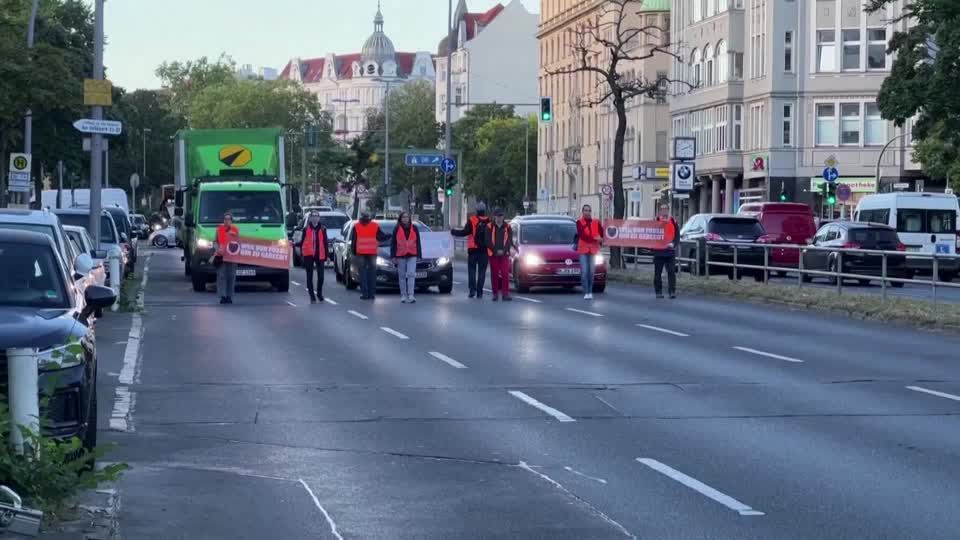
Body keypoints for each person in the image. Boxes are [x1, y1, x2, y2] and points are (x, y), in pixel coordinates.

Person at [451, 202, 490, 299]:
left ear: (476, 210)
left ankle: (472, 290)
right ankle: (480, 292)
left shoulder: (472, 220)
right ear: (484, 210)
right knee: (482, 272)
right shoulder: (489, 221)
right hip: (484, 250)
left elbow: (464, 232)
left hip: (473, 250)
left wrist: (453, 232)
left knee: (472, 271)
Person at [349, 211, 390, 300]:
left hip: (360, 252)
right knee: (372, 273)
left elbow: (354, 240)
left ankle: (365, 294)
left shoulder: (356, 226)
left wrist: (353, 252)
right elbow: (381, 237)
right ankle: (371, 294)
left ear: (361, 217)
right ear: (369, 218)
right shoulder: (374, 225)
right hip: (372, 252)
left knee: (363, 274)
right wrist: (389, 235)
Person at [297, 210, 330, 303]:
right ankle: (312, 296)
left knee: (321, 276)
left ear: (319, 218)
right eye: (313, 216)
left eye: (316, 216)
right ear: (310, 218)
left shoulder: (323, 229)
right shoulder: (306, 229)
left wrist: (327, 256)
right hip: (309, 255)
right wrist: (295, 244)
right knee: (309, 276)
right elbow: (302, 242)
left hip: (320, 254)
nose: (315, 218)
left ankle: (319, 293)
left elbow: (325, 242)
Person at [390, 211, 422, 304]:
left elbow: (418, 242)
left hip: (412, 254)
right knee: (402, 276)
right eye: (403, 217)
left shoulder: (414, 228)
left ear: (409, 218)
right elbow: (393, 243)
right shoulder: (397, 228)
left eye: (407, 217)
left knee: (411, 274)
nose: (405, 219)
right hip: (401, 254)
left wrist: (419, 255)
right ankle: (403, 295)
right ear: (400, 219)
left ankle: (411, 294)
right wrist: (393, 256)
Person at [485, 208, 516, 302]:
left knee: (505, 273)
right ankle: (495, 294)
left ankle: (505, 294)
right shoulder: (489, 226)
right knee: (494, 274)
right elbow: (487, 241)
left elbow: (509, 240)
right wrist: (495, 251)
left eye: (501, 216)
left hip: (504, 254)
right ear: (494, 216)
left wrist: (504, 250)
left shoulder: (508, 226)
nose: (500, 218)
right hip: (493, 254)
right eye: (498, 216)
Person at [574, 204, 603, 300]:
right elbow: (582, 236)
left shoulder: (596, 222)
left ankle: (590, 291)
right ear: (582, 212)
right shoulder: (579, 222)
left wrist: (601, 239)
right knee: (584, 271)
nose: (587, 212)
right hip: (583, 250)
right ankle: (586, 292)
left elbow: (602, 233)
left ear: (591, 212)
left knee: (591, 272)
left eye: (589, 210)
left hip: (593, 250)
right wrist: (595, 239)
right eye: (585, 210)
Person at [653, 206, 680, 299]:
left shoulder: (673, 221)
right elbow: (650, 234)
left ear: (668, 210)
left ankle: (672, 291)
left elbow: (677, 235)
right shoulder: (656, 221)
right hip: (659, 252)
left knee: (671, 272)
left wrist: (674, 244)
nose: (664, 211)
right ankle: (658, 292)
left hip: (670, 251)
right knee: (658, 273)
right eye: (662, 209)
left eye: (666, 209)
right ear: (660, 211)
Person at [215, 212, 239, 304]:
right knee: (221, 276)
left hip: (232, 257)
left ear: (231, 221)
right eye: (225, 219)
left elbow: (239, 242)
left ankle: (229, 296)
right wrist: (218, 249)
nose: (227, 221)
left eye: (228, 219)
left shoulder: (235, 229)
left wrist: (234, 235)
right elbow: (215, 241)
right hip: (221, 256)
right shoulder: (219, 229)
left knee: (231, 276)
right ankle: (223, 296)